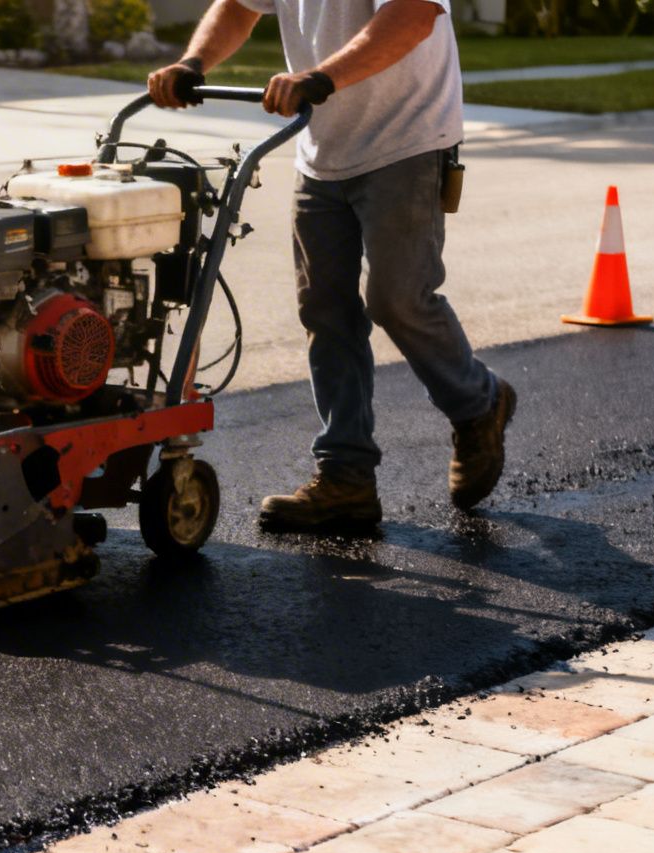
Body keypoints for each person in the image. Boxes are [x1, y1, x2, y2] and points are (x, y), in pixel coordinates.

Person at [148, 0, 514, 534]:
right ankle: (345, 476)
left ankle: (480, 402)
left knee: (397, 298)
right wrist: (194, 62)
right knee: (325, 311)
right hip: (323, 149)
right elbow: (237, 7)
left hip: (407, 139)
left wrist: (320, 76)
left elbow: (413, 17)